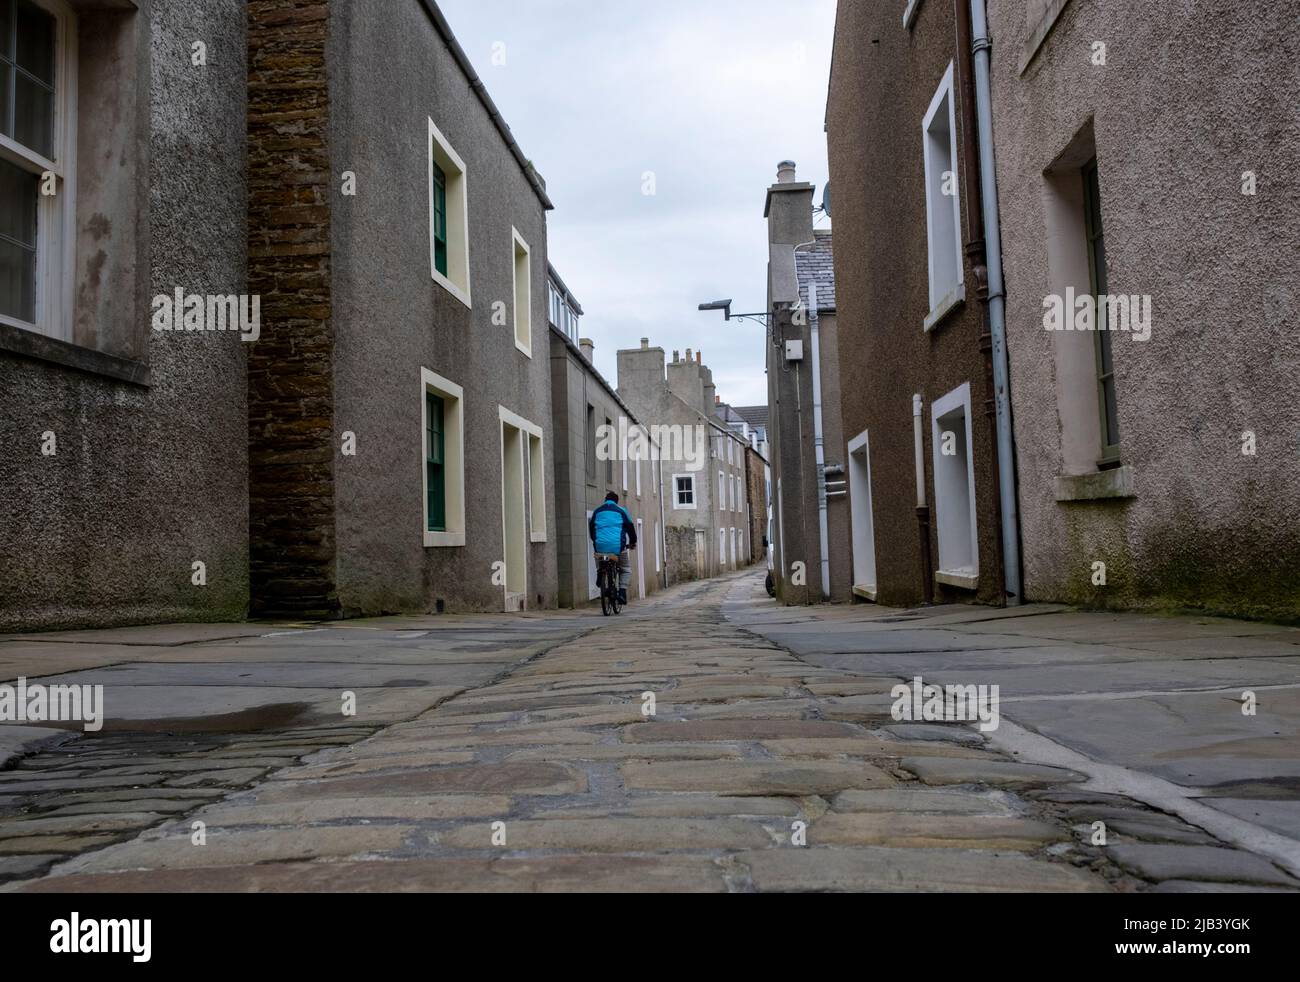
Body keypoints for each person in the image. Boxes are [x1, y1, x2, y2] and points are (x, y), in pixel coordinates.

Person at [589, 491, 637, 605]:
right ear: (617, 501)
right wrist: (633, 542)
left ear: (605, 500)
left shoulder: (597, 511)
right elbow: (630, 528)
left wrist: (595, 541)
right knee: (625, 568)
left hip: (600, 546)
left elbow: (592, 529)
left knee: (599, 555)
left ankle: (600, 571)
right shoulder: (621, 511)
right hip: (618, 547)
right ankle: (622, 592)